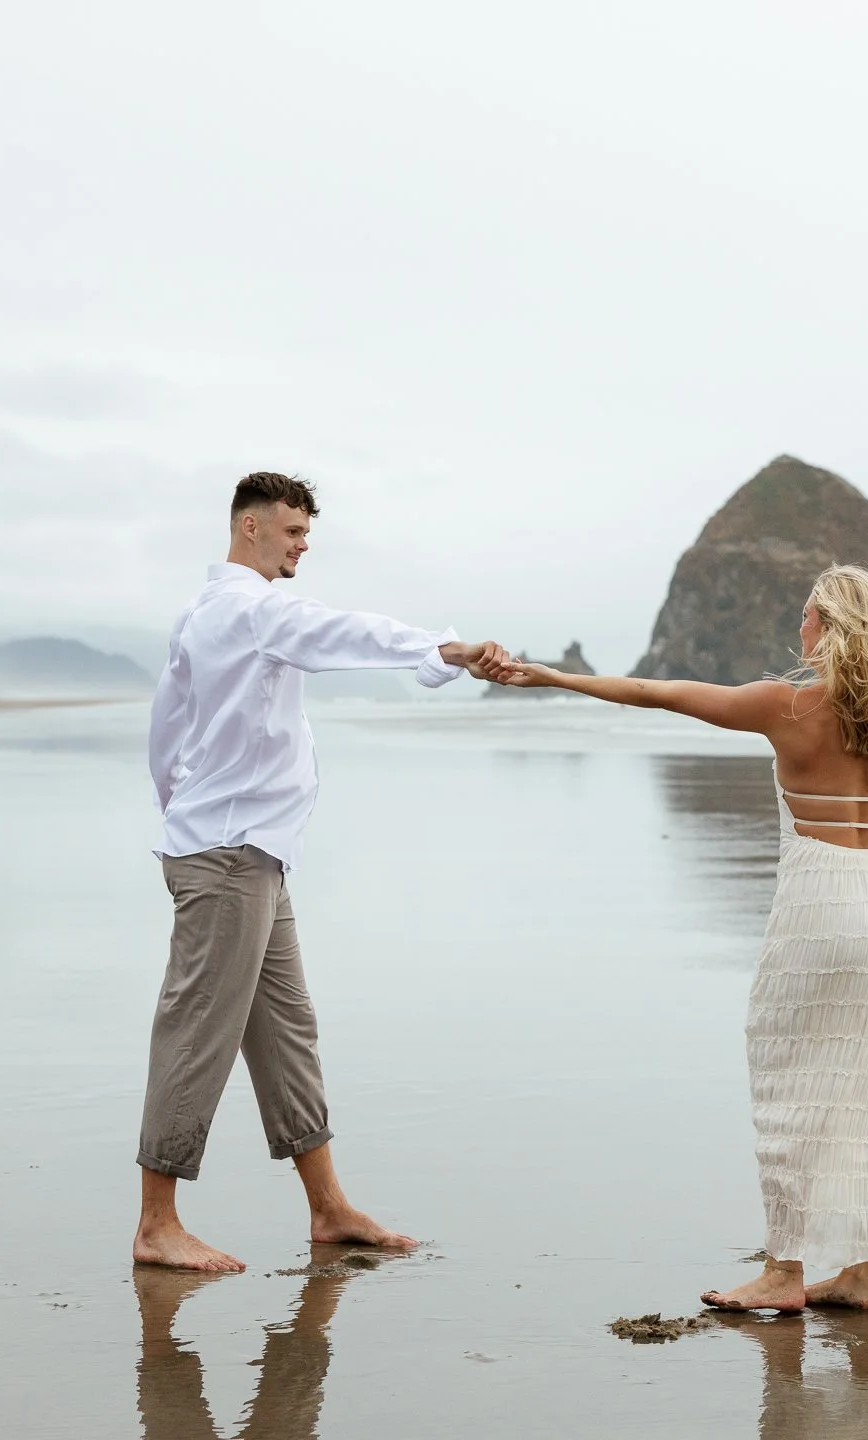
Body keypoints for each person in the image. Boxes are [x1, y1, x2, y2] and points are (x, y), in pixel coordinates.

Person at [500, 564, 868, 1311]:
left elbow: (657, 694)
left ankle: (784, 1272)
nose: (797, 627)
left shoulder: (788, 705)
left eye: (806, 615)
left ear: (827, 625)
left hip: (818, 900)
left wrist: (552, 677)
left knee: (785, 1075)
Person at [135, 471, 510, 1272]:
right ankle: (156, 1225)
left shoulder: (204, 614)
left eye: (307, 534)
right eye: (293, 532)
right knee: (197, 1032)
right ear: (249, 531)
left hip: (249, 851)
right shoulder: (249, 608)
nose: (304, 546)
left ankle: (329, 1208)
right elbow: (345, 635)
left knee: (286, 1032)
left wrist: (183, 813)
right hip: (229, 857)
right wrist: (441, 650)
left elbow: (167, 731)